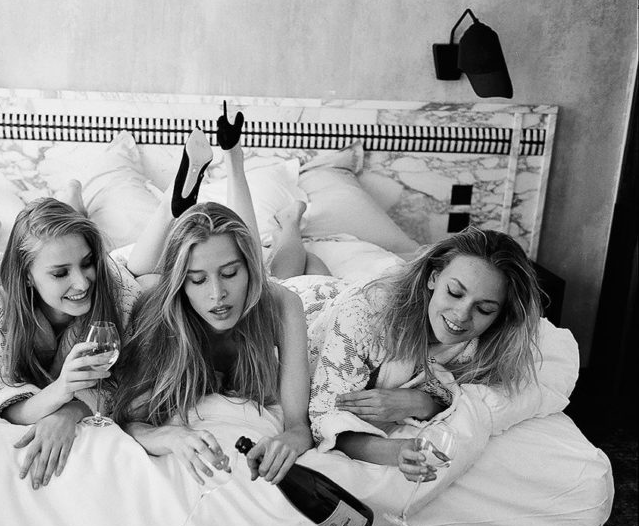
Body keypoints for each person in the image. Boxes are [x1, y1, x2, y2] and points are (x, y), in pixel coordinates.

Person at [294, 226, 543, 482]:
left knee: (317, 270)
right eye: (454, 293)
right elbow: (324, 415)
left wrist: (422, 403)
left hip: (341, 293)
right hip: (311, 307)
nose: (461, 315)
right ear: (433, 278)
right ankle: (291, 225)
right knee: (291, 274)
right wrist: (396, 451)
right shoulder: (364, 314)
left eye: (484, 309)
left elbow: (452, 393)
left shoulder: (478, 349)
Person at [112, 203, 314, 486]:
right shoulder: (159, 316)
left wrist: (289, 440)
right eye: (197, 280)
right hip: (148, 281)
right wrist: (168, 436)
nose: (217, 294)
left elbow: (298, 426)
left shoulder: (283, 305)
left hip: (274, 289)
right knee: (141, 271)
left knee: (292, 274)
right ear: (180, 283)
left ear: (249, 269)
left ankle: (290, 220)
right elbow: (128, 420)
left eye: (230, 273)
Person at [0, 197, 142, 489]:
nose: (82, 283)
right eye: (60, 273)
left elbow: (127, 385)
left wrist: (70, 411)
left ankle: (74, 198)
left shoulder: (119, 293)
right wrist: (60, 391)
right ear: (27, 276)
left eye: (87, 263)